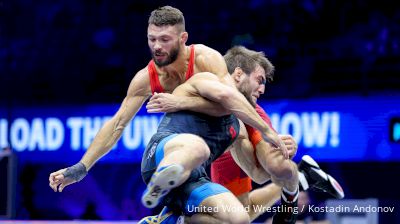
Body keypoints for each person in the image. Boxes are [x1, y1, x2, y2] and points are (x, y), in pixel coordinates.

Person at [49, 6, 284, 194]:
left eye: (164, 39)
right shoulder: (146, 78)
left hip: (235, 117)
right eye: (152, 39)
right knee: (234, 215)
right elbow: (117, 124)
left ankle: (293, 182)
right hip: (196, 138)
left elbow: (229, 102)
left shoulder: (205, 57)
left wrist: (266, 131)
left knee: (262, 172)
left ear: (183, 38)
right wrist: (82, 168)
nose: (156, 47)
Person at [145, 46, 344, 224]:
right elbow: (224, 98)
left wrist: (281, 147)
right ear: (238, 73)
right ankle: (301, 176)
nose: (263, 89)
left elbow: (257, 173)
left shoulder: (245, 120)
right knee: (240, 213)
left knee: (242, 212)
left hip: (226, 139)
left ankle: (297, 178)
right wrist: (181, 103)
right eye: (260, 80)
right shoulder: (209, 80)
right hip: (193, 148)